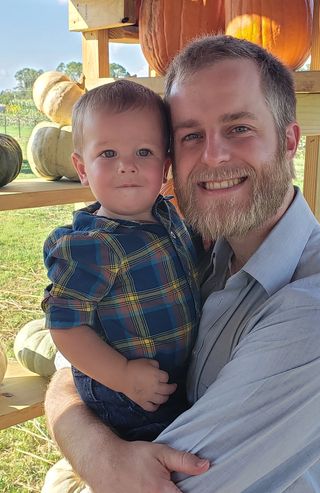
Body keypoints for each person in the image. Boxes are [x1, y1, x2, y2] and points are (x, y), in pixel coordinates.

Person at [44, 35, 320, 493]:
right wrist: (99, 448)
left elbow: (153, 483)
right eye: (191, 135)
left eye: (239, 128)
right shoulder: (201, 246)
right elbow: (70, 358)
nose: (213, 156)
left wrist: (89, 443)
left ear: (290, 139)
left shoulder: (316, 325)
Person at [42, 79, 203, 442]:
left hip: (162, 377)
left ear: (165, 166)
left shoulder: (169, 215)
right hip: (122, 393)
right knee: (159, 451)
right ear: (82, 169)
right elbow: (65, 326)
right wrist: (122, 374)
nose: (127, 166)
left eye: (143, 152)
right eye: (109, 154)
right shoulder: (92, 246)